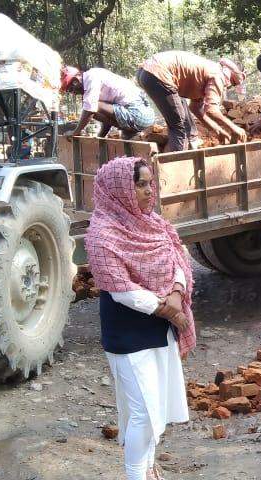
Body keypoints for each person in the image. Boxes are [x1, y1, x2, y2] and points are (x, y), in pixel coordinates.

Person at [85, 156, 196, 480]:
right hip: (129, 336)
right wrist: (170, 311)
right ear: (121, 188)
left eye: (150, 183)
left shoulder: (153, 223)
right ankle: (135, 473)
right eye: (141, 184)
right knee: (142, 414)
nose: (150, 191)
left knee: (156, 406)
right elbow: (121, 291)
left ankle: (148, 467)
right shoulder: (102, 234)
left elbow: (177, 256)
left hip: (160, 329)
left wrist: (176, 292)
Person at [136, 51, 247, 152]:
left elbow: (196, 108)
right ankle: (175, 166)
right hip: (159, 73)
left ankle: (188, 148)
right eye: (233, 83)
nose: (230, 86)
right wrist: (234, 128)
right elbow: (212, 111)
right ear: (233, 74)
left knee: (182, 117)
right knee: (180, 127)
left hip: (146, 73)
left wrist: (217, 130)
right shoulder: (218, 75)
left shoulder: (208, 72)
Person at [60, 66, 155, 139]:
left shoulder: (91, 78)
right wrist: (101, 137)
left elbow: (90, 110)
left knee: (91, 106)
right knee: (93, 106)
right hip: (142, 115)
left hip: (139, 114)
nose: (73, 93)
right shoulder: (95, 76)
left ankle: (130, 130)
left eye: (71, 89)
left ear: (76, 81)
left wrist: (75, 132)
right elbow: (107, 116)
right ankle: (129, 130)